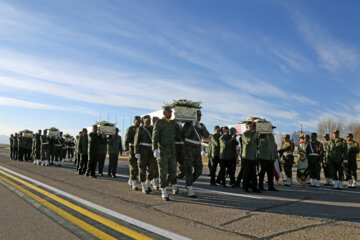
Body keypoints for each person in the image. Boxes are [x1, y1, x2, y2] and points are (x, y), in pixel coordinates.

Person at [182, 110, 210, 197]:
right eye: (198, 116)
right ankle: (190, 188)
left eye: (200, 116)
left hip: (197, 150)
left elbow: (207, 135)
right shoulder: (188, 124)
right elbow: (184, 135)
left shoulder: (201, 125)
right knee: (188, 169)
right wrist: (192, 125)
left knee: (199, 169)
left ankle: (188, 183)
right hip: (188, 149)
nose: (199, 117)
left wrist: (201, 128)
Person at [152, 106, 177, 201]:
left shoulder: (172, 123)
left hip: (172, 150)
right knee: (163, 171)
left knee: (173, 171)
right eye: (169, 112)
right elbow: (155, 137)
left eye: (171, 112)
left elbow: (179, 120)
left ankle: (167, 184)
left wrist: (177, 110)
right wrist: (155, 149)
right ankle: (164, 190)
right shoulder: (159, 123)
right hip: (162, 150)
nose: (170, 114)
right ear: (164, 113)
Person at [134, 115, 157, 194]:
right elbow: (136, 141)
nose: (148, 121)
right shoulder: (140, 129)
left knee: (153, 169)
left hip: (151, 151)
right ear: (143, 121)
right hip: (143, 150)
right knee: (142, 169)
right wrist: (137, 152)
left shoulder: (153, 128)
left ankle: (147, 183)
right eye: (146, 120)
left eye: (149, 120)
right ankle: (143, 186)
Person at [241, 121, 260, 193]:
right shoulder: (244, 134)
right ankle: (245, 187)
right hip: (246, 156)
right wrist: (254, 136)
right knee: (246, 173)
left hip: (253, 156)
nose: (252, 127)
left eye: (252, 126)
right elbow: (248, 141)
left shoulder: (253, 134)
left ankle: (254, 188)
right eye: (250, 126)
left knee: (253, 174)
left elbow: (257, 144)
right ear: (246, 127)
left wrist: (257, 137)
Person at [125, 116, 141, 190]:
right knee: (133, 166)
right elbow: (126, 139)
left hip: (139, 150)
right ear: (134, 121)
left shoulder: (141, 129)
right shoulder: (130, 129)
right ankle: (134, 184)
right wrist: (126, 149)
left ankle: (131, 180)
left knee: (138, 168)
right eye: (137, 121)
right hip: (131, 149)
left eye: (139, 121)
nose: (138, 122)